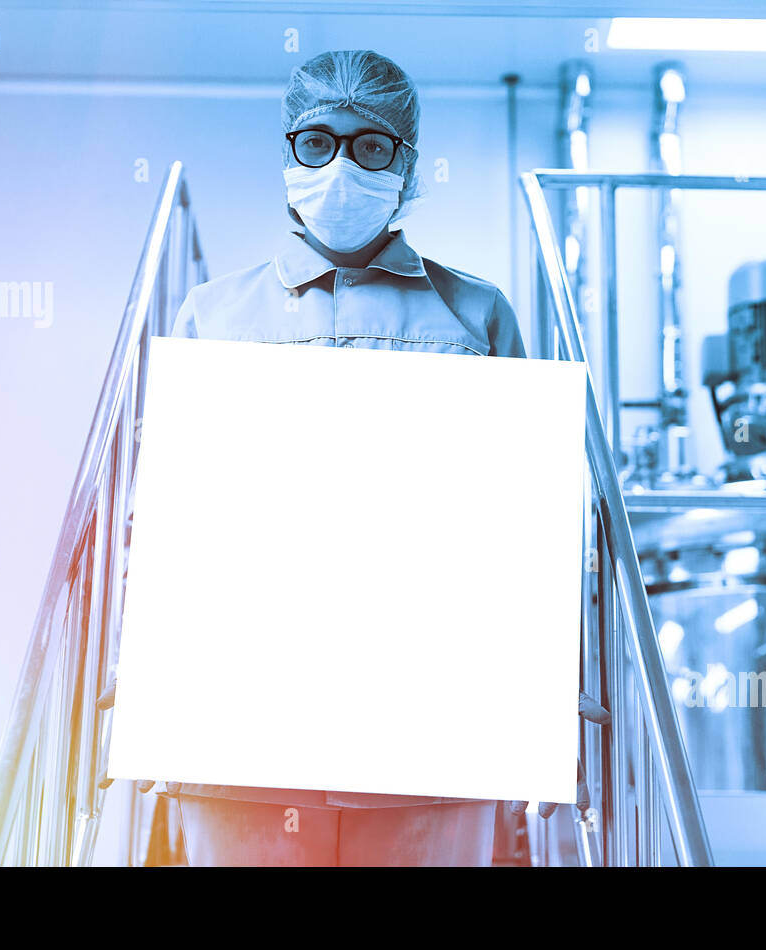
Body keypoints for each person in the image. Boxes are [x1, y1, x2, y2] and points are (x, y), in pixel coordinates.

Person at [165, 49, 527, 866]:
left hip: (433, 719)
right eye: (318, 141)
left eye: (371, 147)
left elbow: (526, 514)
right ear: (288, 150)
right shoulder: (214, 313)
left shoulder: (476, 314)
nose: (340, 164)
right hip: (243, 713)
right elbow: (163, 515)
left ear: (407, 163)